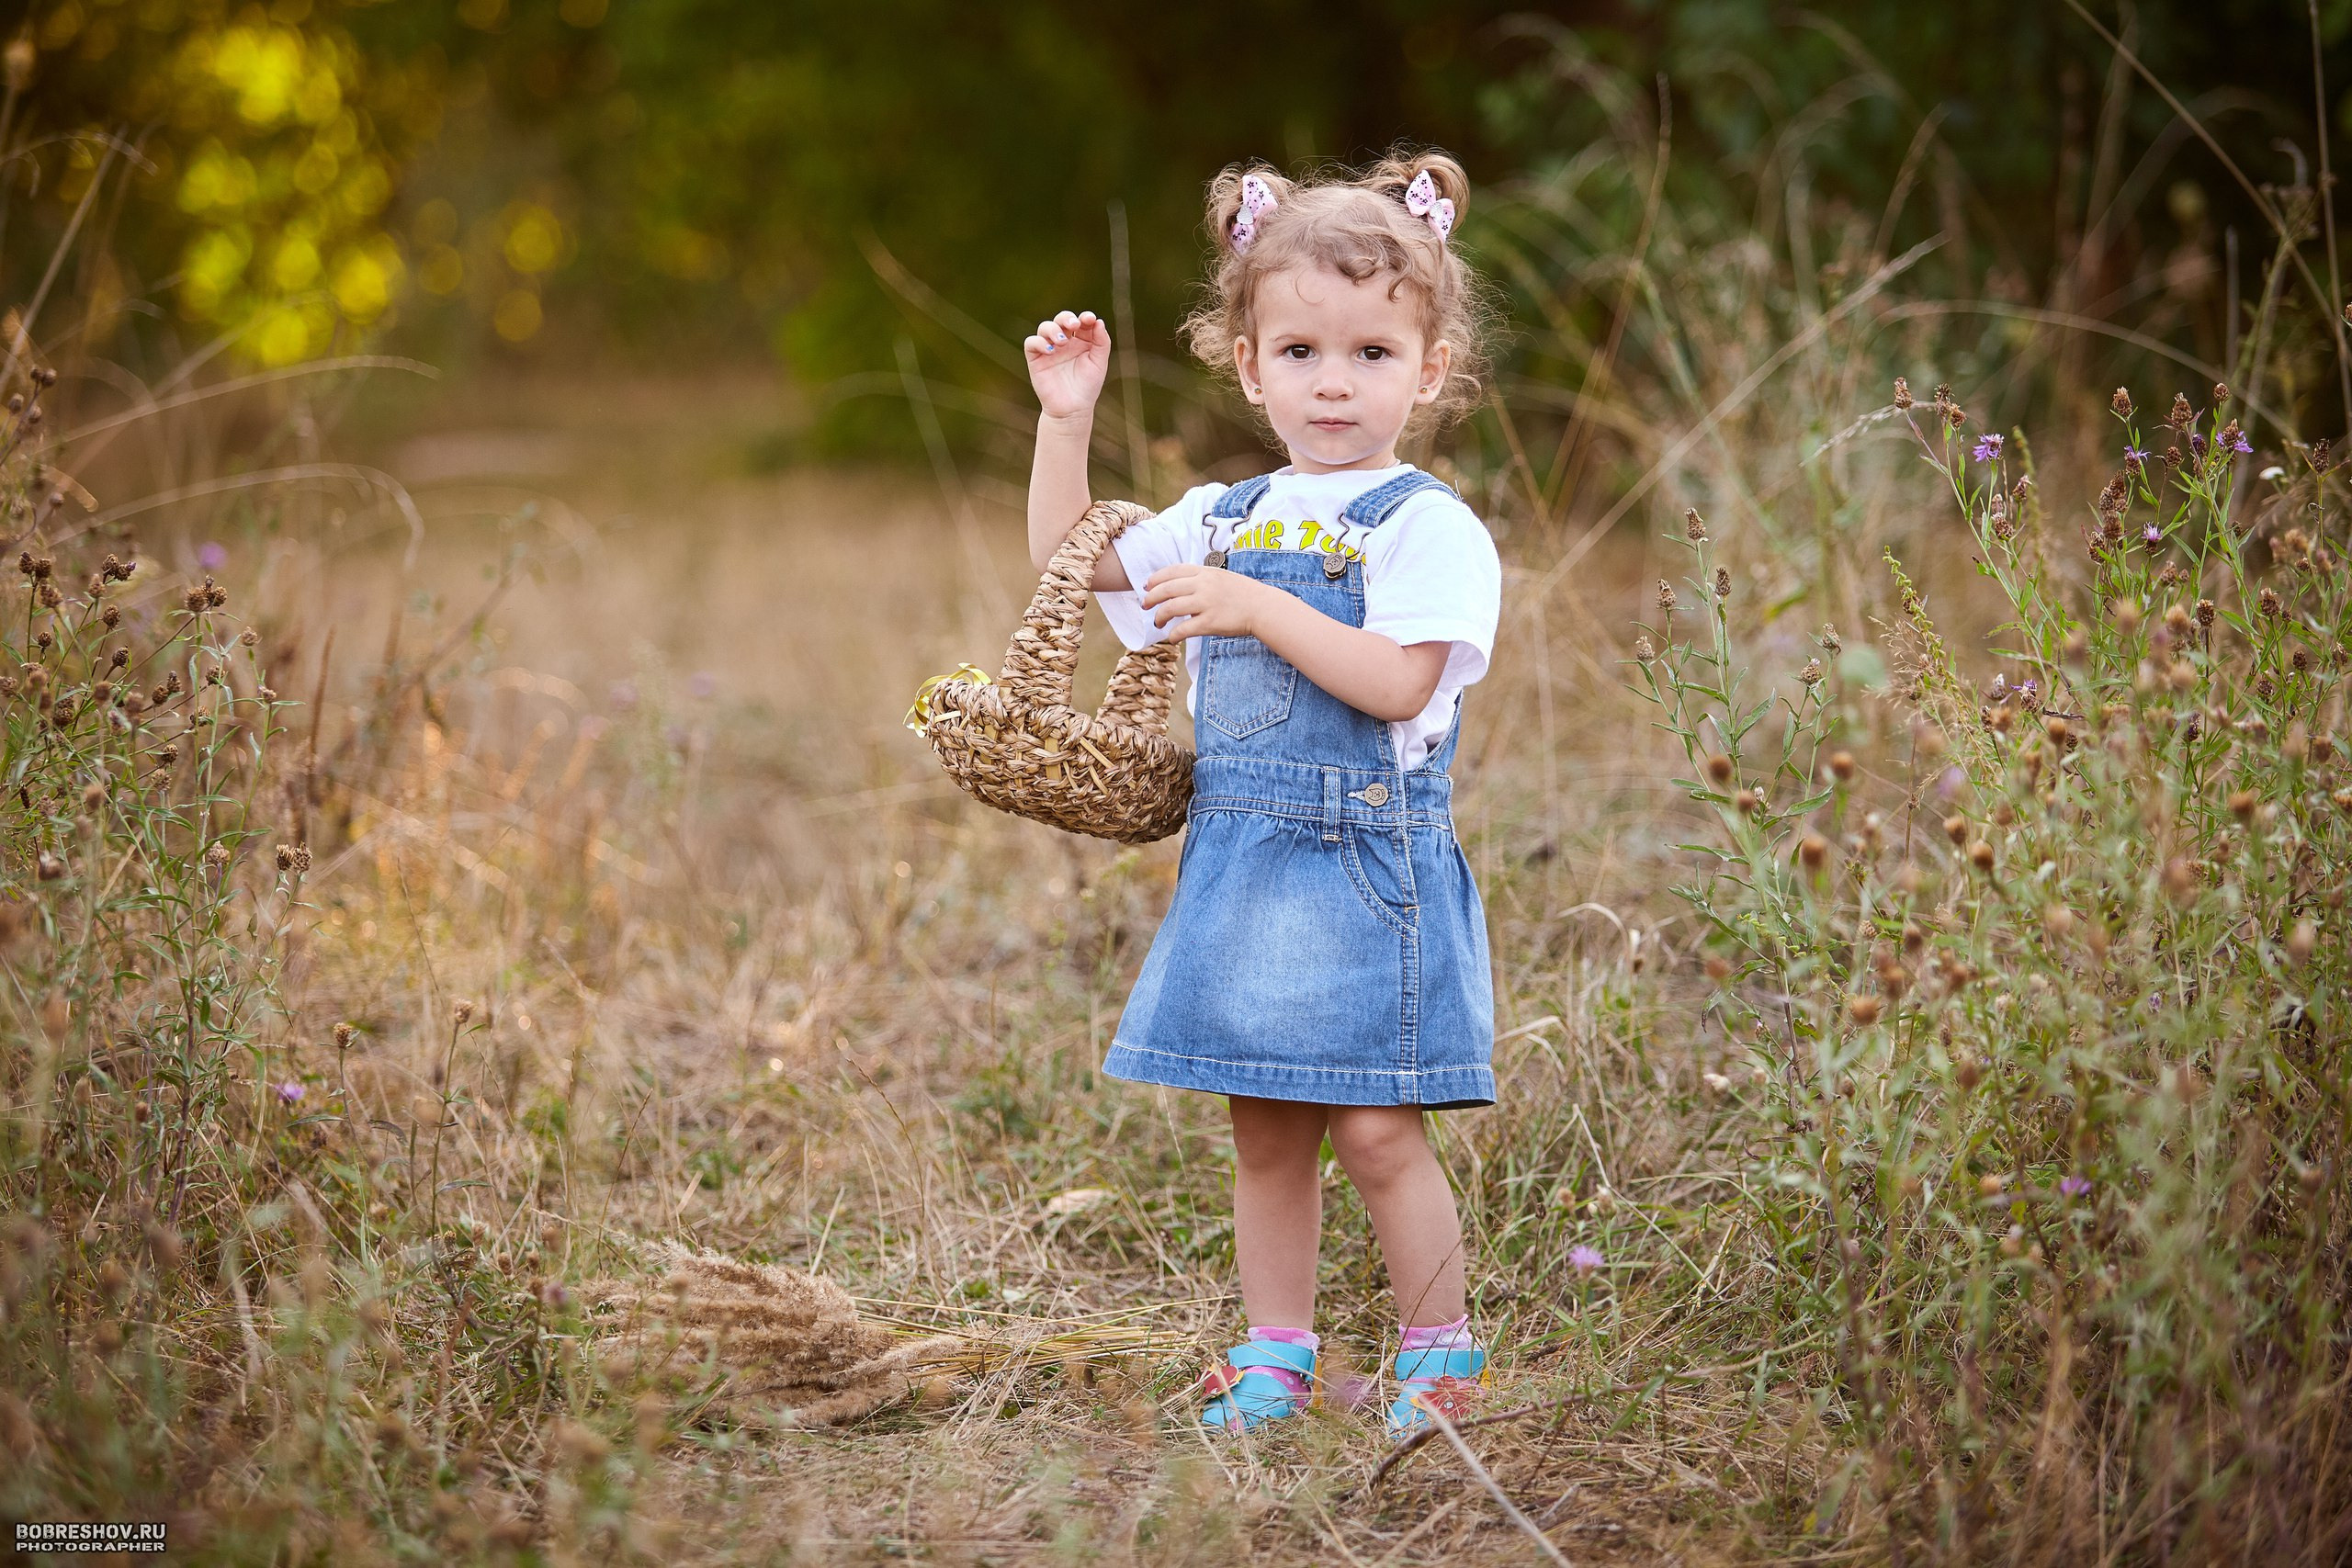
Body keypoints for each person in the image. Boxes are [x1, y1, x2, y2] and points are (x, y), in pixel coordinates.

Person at [1022, 152, 1501, 1437]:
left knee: (1378, 1135)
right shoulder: (1223, 513)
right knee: (1268, 1134)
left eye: (1371, 353)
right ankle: (1276, 1356)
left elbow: (1397, 683)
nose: (1333, 382)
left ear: (1429, 369)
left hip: (1366, 867)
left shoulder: (1425, 525)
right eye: (1298, 351)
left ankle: (1440, 1361)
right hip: (1246, 863)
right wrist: (1066, 420)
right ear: (1248, 365)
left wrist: (1255, 606)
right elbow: (1071, 560)